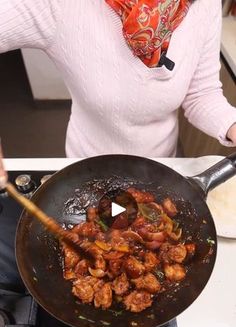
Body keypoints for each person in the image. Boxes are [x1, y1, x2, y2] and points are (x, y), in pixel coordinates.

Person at [0, 0, 236, 188]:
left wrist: (232, 126)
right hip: (89, 170)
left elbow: (201, 94)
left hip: (160, 168)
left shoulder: (204, 4)